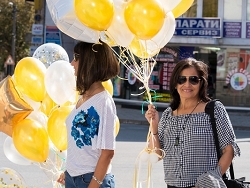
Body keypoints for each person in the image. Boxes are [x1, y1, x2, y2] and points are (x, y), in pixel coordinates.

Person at [145, 58, 240, 188]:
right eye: (181, 79)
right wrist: (153, 127)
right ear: (175, 83)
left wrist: (210, 180)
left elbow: (229, 150)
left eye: (193, 79)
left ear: (202, 83)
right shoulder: (168, 114)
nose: (187, 84)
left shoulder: (213, 109)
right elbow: (157, 155)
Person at [57, 41, 120, 188]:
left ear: (89, 62)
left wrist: (93, 184)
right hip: (73, 178)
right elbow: (82, 146)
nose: (72, 63)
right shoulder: (83, 96)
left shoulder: (103, 102)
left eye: (76, 58)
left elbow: (108, 152)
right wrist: (70, 171)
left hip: (91, 180)